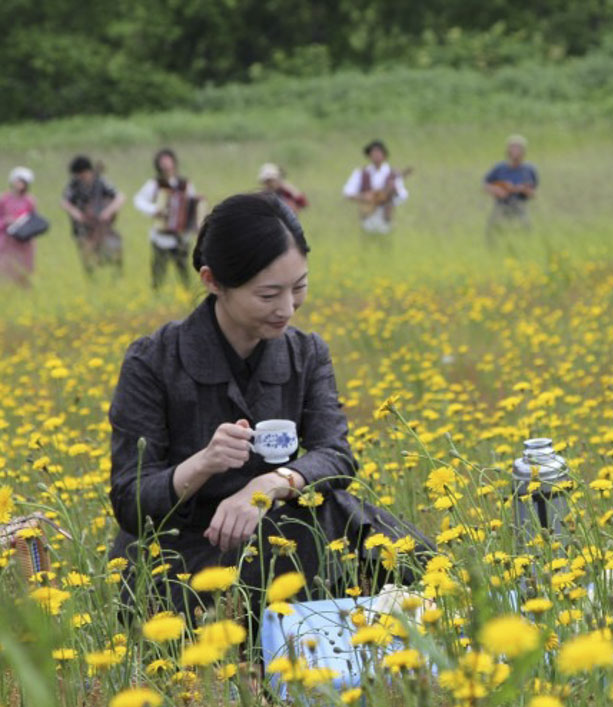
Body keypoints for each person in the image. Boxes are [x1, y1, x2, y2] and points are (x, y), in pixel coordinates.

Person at [107, 193, 432, 633]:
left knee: (346, 515)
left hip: (285, 534)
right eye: (267, 294)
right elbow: (130, 499)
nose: (287, 308)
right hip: (189, 556)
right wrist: (201, 465)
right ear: (213, 281)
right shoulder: (153, 362)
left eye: (299, 287)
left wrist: (268, 486)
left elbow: (335, 456)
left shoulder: (307, 353)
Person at [134, 148, 201, 290]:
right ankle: (157, 294)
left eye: (168, 161)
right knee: (159, 270)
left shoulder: (185, 184)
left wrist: (194, 224)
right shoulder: (154, 184)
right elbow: (139, 200)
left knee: (183, 269)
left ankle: (187, 294)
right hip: (161, 235)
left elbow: (192, 204)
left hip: (181, 235)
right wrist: (154, 210)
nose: (166, 165)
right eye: (162, 162)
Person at [60, 156, 126, 275]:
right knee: (88, 259)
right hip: (83, 228)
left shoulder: (101, 181)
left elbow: (120, 197)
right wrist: (77, 214)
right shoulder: (74, 185)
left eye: (83, 174)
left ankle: (115, 275)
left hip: (104, 226)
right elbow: (64, 202)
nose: (81, 178)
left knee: (113, 249)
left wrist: (108, 212)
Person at [342, 140, 408, 236]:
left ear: (384, 155)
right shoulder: (361, 172)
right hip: (367, 216)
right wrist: (364, 197)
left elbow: (403, 195)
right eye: (373, 153)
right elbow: (347, 192)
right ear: (369, 156)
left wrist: (392, 194)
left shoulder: (393, 174)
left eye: (379, 153)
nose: (376, 156)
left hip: (385, 216)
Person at [483, 134, 539, 244]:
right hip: (501, 204)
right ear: (507, 150)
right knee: (492, 229)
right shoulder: (500, 168)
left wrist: (522, 190)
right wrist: (497, 190)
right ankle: (492, 247)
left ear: (524, 151)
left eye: (518, 148)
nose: (515, 150)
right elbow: (485, 185)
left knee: (526, 228)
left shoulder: (529, 170)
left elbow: (533, 193)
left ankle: (526, 246)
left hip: (520, 204)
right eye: (512, 147)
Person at [0, 167, 40, 287]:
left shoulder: (30, 200)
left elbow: (34, 221)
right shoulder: (4, 199)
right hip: (7, 240)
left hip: (24, 241)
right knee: (7, 270)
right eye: (18, 181)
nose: (20, 185)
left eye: (23, 182)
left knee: (25, 270)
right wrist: (7, 221)